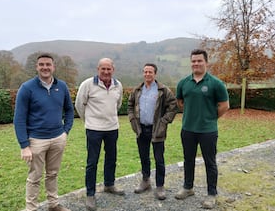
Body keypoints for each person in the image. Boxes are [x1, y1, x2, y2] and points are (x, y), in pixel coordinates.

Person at [14, 53, 74, 211]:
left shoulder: (61, 86)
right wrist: (24, 146)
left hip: (58, 138)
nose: (45, 67)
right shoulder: (27, 88)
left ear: (53, 67)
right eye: (41, 64)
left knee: (53, 174)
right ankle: (31, 208)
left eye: (48, 64)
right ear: (37, 67)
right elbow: (19, 119)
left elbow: (69, 110)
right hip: (36, 141)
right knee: (34, 177)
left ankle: (53, 204)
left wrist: (65, 131)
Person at [175, 49, 230, 209]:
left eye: (199, 61)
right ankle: (188, 188)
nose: (196, 64)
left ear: (206, 62)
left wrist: (210, 118)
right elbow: (180, 102)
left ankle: (211, 194)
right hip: (188, 130)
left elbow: (224, 106)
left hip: (208, 131)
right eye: (193, 61)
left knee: (210, 162)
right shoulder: (183, 83)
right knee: (188, 160)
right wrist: (192, 115)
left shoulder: (216, 83)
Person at [75, 58, 124, 211]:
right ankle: (90, 194)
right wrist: (89, 121)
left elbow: (118, 104)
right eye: (103, 69)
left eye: (109, 69)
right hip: (94, 129)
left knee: (111, 159)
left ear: (113, 70)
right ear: (98, 69)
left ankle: (109, 185)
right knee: (92, 162)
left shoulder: (118, 85)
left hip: (112, 128)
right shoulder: (87, 84)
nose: (106, 72)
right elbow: (79, 105)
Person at [127, 63, 177, 200]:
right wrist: (132, 119)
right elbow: (130, 105)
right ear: (143, 73)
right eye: (145, 72)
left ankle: (160, 186)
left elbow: (173, 106)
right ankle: (146, 181)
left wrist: (164, 121)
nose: (147, 74)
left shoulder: (163, 90)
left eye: (150, 72)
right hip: (141, 129)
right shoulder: (138, 90)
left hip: (157, 130)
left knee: (159, 159)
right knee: (144, 157)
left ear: (155, 74)